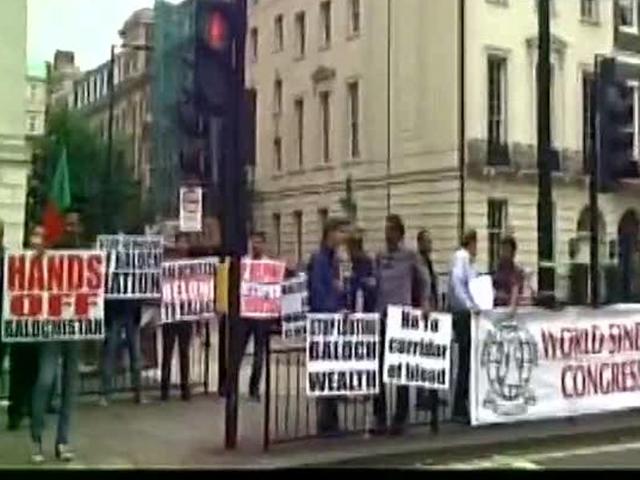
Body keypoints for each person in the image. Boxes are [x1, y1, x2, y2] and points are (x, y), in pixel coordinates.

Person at [30, 209, 85, 463]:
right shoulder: (50, 251)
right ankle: (37, 440)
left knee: (69, 387)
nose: (73, 228)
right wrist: (38, 255)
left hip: (73, 328)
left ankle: (62, 441)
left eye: (76, 224)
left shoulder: (85, 253)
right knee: (45, 379)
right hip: (51, 326)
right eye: (69, 224)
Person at [372, 215, 430, 436]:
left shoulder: (410, 256)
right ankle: (380, 417)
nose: (387, 235)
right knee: (379, 369)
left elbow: (424, 280)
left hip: (402, 316)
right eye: (385, 230)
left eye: (390, 230)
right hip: (382, 314)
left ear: (399, 233)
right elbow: (375, 282)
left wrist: (424, 303)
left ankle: (400, 418)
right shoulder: (380, 256)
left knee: (400, 369)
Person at [308, 218, 349, 436]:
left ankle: (331, 422)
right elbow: (318, 292)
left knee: (332, 372)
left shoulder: (335, 260)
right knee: (325, 372)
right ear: (330, 233)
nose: (343, 236)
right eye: (340, 231)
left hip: (333, 323)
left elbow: (336, 289)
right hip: (323, 325)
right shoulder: (320, 259)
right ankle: (326, 423)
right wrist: (334, 309)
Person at [6, 225, 42, 430]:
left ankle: (29, 408)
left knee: (33, 370)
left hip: (35, 325)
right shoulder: (18, 260)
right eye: (34, 235)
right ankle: (15, 412)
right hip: (18, 323)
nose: (37, 240)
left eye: (40, 236)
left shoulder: (49, 263)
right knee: (18, 371)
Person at [231, 231, 273, 401]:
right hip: (245, 314)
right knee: (238, 351)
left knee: (259, 354)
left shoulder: (269, 265)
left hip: (261, 316)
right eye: (253, 242)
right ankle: (231, 387)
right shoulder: (244, 263)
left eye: (259, 242)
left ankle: (254, 389)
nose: (256, 245)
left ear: (264, 244)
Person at [448, 229, 480, 425]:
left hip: (464, 313)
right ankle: (459, 406)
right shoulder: (462, 257)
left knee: (467, 361)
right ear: (471, 243)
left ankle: (464, 404)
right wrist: (470, 305)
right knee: (465, 361)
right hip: (463, 315)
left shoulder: (466, 259)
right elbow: (458, 284)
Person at [161, 232, 194, 401]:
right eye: (180, 242)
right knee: (167, 351)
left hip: (186, 314)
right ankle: (164, 389)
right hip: (170, 313)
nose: (182, 246)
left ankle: (185, 388)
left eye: (185, 243)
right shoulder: (168, 265)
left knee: (184, 353)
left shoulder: (194, 266)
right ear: (176, 244)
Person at [415, 229, 440, 424]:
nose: (430, 245)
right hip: (421, 313)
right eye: (427, 242)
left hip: (432, 311)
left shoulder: (429, 263)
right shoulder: (417, 263)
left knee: (431, 354)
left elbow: (433, 285)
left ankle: (432, 394)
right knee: (421, 355)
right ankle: (421, 395)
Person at [346, 229, 376, 313]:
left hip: (363, 308)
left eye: (349, 248)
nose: (348, 252)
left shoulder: (363, 262)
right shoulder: (355, 263)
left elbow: (362, 288)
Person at [493, 236, 524, 314]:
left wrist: (511, 307)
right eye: (502, 250)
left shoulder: (516, 272)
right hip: (494, 308)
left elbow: (515, 290)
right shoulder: (498, 269)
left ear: (513, 253)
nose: (503, 253)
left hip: (506, 310)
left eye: (506, 250)